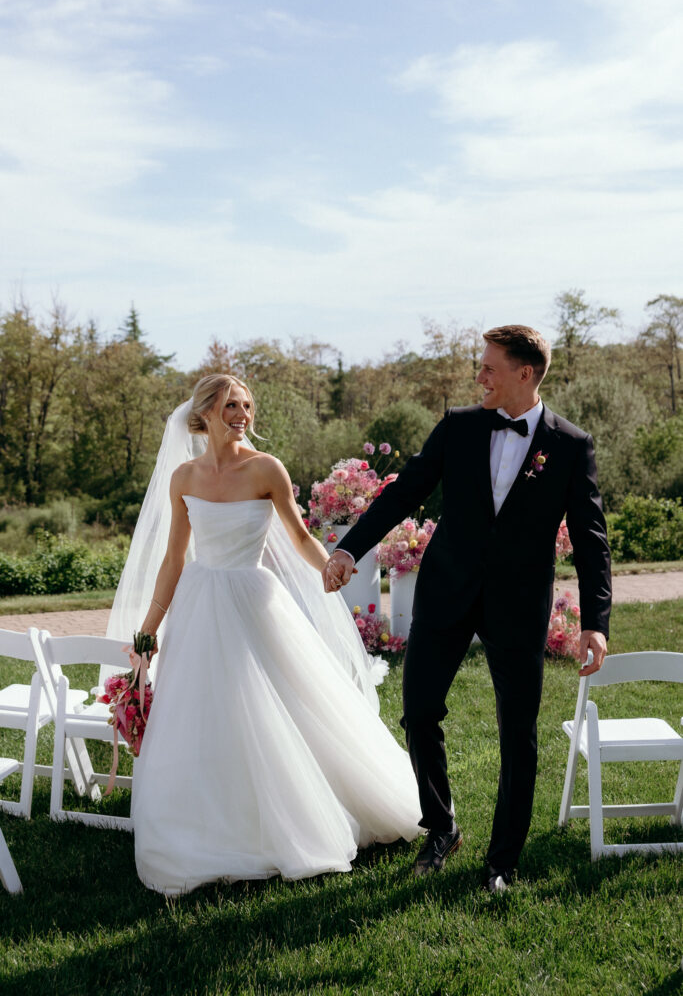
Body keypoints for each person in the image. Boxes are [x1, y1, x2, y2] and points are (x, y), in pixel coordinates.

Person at [324, 325, 611, 894]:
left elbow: (591, 538)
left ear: (524, 373)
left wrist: (595, 624)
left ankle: (502, 861)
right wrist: (349, 549)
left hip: (518, 605)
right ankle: (441, 826)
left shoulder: (571, 445)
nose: (479, 376)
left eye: (488, 367)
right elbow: (404, 492)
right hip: (445, 592)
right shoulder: (458, 426)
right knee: (418, 711)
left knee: (518, 733)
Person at [116, 374, 421, 896]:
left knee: (278, 705)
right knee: (204, 713)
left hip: (254, 601)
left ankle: (295, 816)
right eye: (231, 406)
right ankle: (209, 821)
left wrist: (331, 568)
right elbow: (173, 560)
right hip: (199, 604)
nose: (243, 415)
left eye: (247, 406)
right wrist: (148, 628)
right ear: (205, 413)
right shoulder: (184, 477)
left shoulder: (265, 468)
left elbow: (299, 536)